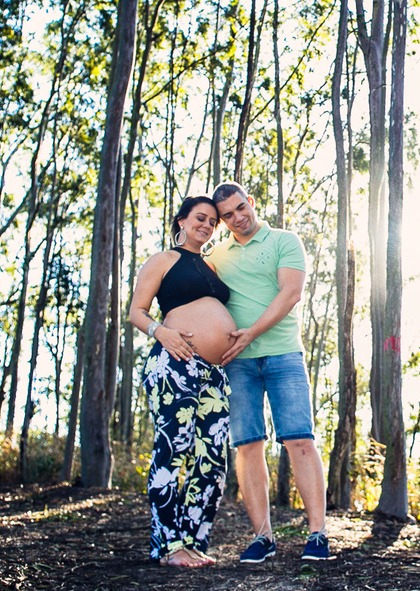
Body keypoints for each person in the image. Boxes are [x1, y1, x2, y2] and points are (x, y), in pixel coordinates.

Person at [206, 181, 331, 563]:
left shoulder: (284, 240)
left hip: (283, 356)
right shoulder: (216, 255)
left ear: (252, 202)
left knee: (300, 441)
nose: (237, 218)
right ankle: (262, 537)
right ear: (221, 220)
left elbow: (290, 294)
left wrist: (251, 335)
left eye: (241, 208)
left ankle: (318, 535)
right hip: (236, 363)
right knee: (247, 446)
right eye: (227, 215)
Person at [128, 196, 237, 568]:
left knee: (212, 459)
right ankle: (168, 545)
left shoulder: (211, 265)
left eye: (212, 222)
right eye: (200, 218)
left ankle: (193, 541)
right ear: (182, 221)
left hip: (213, 374)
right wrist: (162, 333)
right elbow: (136, 312)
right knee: (172, 451)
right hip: (176, 363)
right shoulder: (164, 260)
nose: (207, 225)